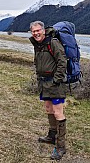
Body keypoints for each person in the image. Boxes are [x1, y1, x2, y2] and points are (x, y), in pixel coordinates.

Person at [29, 20, 67, 160]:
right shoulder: (38, 44)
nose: (36, 33)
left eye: (38, 30)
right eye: (34, 31)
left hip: (55, 84)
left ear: (44, 30)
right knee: (48, 109)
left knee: (58, 112)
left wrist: (57, 80)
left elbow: (62, 61)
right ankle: (52, 136)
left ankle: (61, 146)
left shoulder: (53, 43)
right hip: (44, 83)